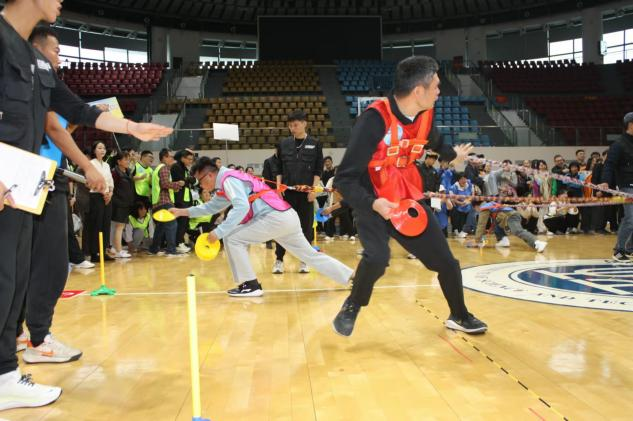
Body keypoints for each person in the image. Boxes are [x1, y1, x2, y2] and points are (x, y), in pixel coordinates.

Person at [331, 56, 487, 337]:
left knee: (447, 262)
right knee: (377, 258)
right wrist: (372, 204)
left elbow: (436, 142)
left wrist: (453, 156)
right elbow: (344, 178)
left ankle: (460, 315)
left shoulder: (425, 115)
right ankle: (353, 303)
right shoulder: (374, 120)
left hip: (406, 197)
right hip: (373, 198)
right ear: (418, 91)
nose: (439, 91)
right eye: (436, 85)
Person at [169, 157, 354, 297]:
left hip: (274, 218)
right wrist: (181, 212)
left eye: (200, 181)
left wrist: (219, 231)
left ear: (209, 175)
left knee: (232, 238)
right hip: (286, 216)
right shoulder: (228, 181)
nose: (201, 185)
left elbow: (241, 207)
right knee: (310, 255)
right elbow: (210, 207)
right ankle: (351, 277)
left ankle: (250, 285)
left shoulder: (227, 180)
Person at [273, 109, 323, 274]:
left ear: (304, 123)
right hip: (287, 194)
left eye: (295, 125)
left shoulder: (315, 143)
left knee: (306, 228)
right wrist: (278, 187)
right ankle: (279, 260)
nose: (292, 128)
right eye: (290, 126)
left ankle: (305, 260)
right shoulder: (284, 143)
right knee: (283, 226)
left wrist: (313, 190)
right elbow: (278, 168)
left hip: (306, 195)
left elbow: (318, 170)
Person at [600, 112, 633, 261]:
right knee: (631, 219)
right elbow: (609, 164)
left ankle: (629, 249)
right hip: (627, 186)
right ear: (630, 125)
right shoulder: (618, 144)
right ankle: (619, 250)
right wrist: (605, 181)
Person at [468, 200, 547, 252]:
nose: (477, 211)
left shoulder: (484, 207)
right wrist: (489, 231)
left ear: (476, 206)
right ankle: (503, 240)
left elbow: (481, 225)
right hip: (509, 216)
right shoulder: (490, 204)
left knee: (517, 231)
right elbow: (496, 220)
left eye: (475, 209)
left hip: (511, 217)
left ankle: (537, 243)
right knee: (497, 224)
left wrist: (476, 241)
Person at [149, 148, 184, 257]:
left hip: (157, 202)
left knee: (161, 226)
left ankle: (154, 248)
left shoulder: (157, 169)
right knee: (172, 224)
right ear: (164, 157)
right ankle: (171, 250)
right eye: (170, 157)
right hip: (164, 201)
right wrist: (178, 184)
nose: (172, 159)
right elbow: (165, 184)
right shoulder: (164, 168)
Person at [86, 141, 115, 262]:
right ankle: (94, 253)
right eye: (99, 148)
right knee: (96, 224)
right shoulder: (91, 163)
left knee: (106, 225)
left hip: (108, 197)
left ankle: (103, 252)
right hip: (96, 196)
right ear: (94, 150)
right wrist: (103, 193)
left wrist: (110, 193)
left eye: (104, 148)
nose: (102, 150)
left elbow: (110, 181)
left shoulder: (107, 165)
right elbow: (90, 182)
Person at [111, 152, 135, 258]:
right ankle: (119, 250)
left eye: (128, 159)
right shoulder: (115, 173)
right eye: (125, 159)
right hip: (119, 203)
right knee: (119, 227)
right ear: (119, 161)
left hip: (126, 203)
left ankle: (115, 248)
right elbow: (112, 188)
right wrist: (117, 201)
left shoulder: (128, 172)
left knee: (120, 227)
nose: (128, 161)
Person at [171, 149, 195, 253]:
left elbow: (192, 180)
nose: (190, 161)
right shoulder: (176, 167)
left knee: (184, 222)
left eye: (191, 159)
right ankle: (178, 243)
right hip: (179, 198)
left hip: (186, 198)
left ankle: (180, 242)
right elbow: (181, 182)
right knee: (181, 221)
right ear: (182, 158)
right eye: (189, 159)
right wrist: (188, 180)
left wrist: (188, 180)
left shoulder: (185, 168)